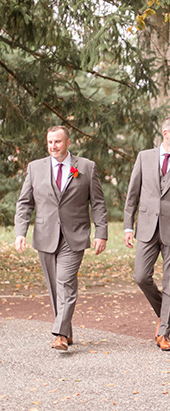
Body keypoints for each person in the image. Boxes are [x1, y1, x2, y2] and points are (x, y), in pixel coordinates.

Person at [14, 126, 108, 351]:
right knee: (55, 288)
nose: (53, 146)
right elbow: (25, 202)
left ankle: (60, 335)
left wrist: (101, 233)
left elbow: (97, 203)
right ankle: (67, 331)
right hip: (45, 235)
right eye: (50, 142)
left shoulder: (86, 167)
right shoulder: (35, 168)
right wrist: (20, 232)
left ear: (68, 142)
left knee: (65, 282)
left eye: (57, 142)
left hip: (74, 235)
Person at [124, 116, 170, 351]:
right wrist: (128, 226)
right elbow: (132, 194)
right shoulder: (144, 157)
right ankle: (165, 311)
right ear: (166, 133)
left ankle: (164, 331)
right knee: (141, 276)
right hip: (146, 228)